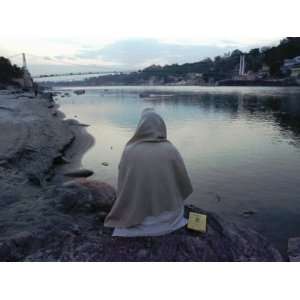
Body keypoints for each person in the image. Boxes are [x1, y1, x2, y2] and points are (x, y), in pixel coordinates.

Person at [104, 108, 193, 237]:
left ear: (140, 127)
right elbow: (183, 182)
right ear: (161, 126)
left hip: (138, 219)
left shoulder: (130, 150)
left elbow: (123, 185)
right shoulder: (170, 149)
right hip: (169, 217)